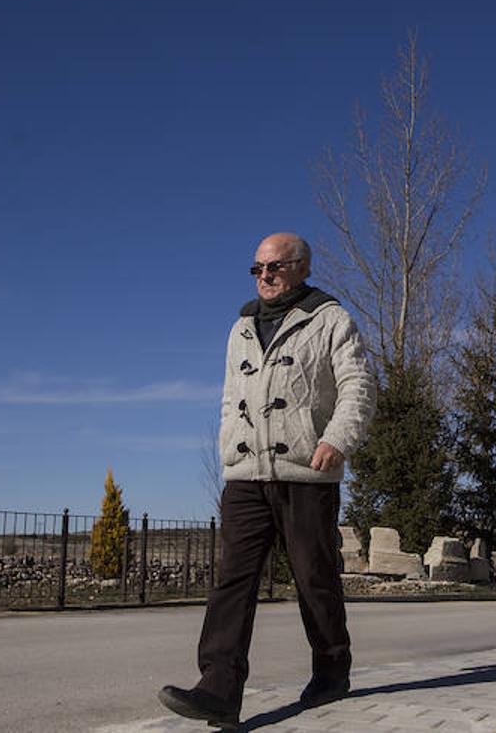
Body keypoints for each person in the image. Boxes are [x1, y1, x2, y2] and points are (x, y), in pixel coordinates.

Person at [159, 232, 376, 729]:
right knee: (232, 580)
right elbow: (228, 397)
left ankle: (331, 670)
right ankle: (218, 688)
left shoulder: (330, 320)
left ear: (300, 267)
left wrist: (337, 438)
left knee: (314, 578)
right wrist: (227, 452)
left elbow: (358, 385)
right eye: (257, 268)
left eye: (274, 268)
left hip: (308, 473)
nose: (264, 277)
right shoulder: (240, 328)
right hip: (245, 475)